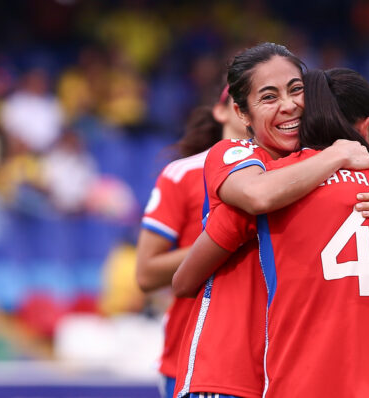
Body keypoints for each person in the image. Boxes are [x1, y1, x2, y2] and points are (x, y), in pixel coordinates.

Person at [173, 43, 369, 398]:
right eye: (269, 97)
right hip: (227, 370)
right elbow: (257, 197)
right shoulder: (239, 156)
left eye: (296, 89)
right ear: (241, 113)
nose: (288, 105)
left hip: (283, 371)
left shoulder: (334, 180)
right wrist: (337, 155)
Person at [135, 85, 247, 398]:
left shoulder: (290, 175)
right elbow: (146, 273)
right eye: (240, 101)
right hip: (193, 360)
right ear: (221, 111)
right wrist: (220, 241)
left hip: (267, 360)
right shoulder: (183, 174)